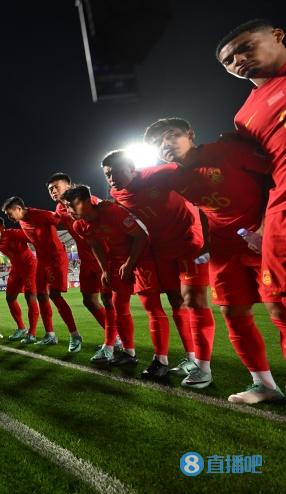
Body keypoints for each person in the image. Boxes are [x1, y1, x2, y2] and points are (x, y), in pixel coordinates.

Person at [143, 117, 283, 403]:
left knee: (279, 309)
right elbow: (203, 209)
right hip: (224, 249)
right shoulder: (175, 178)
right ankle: (264, 384)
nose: (165, 144)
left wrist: (265, 227)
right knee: (232, 312)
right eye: (157, 143)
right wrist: (207, 245)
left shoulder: (226, 150)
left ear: (191, 134)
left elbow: (276, 178)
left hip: (265, 236)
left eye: (171, 135)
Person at [103, 150, 214, 388]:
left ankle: (204, 367)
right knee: (176, 302)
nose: (111, 179)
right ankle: (191, 357)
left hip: (188, 242)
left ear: (132, 167)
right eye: (107, 175)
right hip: (161, 249)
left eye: (115, 172)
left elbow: (200, 195)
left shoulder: (162, 173)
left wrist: (207, 241)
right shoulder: (116, 194)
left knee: (194, 301)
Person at [217, 18, 286, 373]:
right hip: (281, 211)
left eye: (245, 48)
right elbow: (259, 177)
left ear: (277, 35)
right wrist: (260, 224)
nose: (238, 61)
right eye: (228, 61)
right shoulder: (243, 117)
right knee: (280, 305)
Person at [62, 185, 158, 367]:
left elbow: (141, 236)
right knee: (118, 306)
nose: (69, 211)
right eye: (66, 207)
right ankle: (129, 353)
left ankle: (163, 360)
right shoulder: (79, 225)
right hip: (116, 262)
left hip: (141, 257)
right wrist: (105, 269)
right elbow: (95, 245)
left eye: (71, 205)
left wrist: (129, 263)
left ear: (88, 201)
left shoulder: (112, 211)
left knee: (153, 306)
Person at [1, 197, 82, 351]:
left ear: (18, 208)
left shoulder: (41, 214)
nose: (9, 217)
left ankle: (75, 335)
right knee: (41, 295)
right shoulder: (21, 221)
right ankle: (50, 335)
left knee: (55, 295)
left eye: (9, 213)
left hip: (55, 259)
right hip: (42, 261)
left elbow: (62, 219)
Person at [46, 173, 114, 340]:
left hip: (103, 257)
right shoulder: (60, 209)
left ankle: (118, 342)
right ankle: (116, 339)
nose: (53, 191)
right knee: (89, 301)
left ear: (69, 186)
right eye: (50, 189)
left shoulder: (89, 201)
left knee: (109, 300)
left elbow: (107, 216)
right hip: (86, 260)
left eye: (56, 187)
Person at [0, 217, 42, 345]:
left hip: (30, 267)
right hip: (16, 269)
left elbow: (35, 238)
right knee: (10, 298)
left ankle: (32, 333)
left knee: (30, 297)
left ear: (2, 227)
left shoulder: (15, 233)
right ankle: (21, 328)